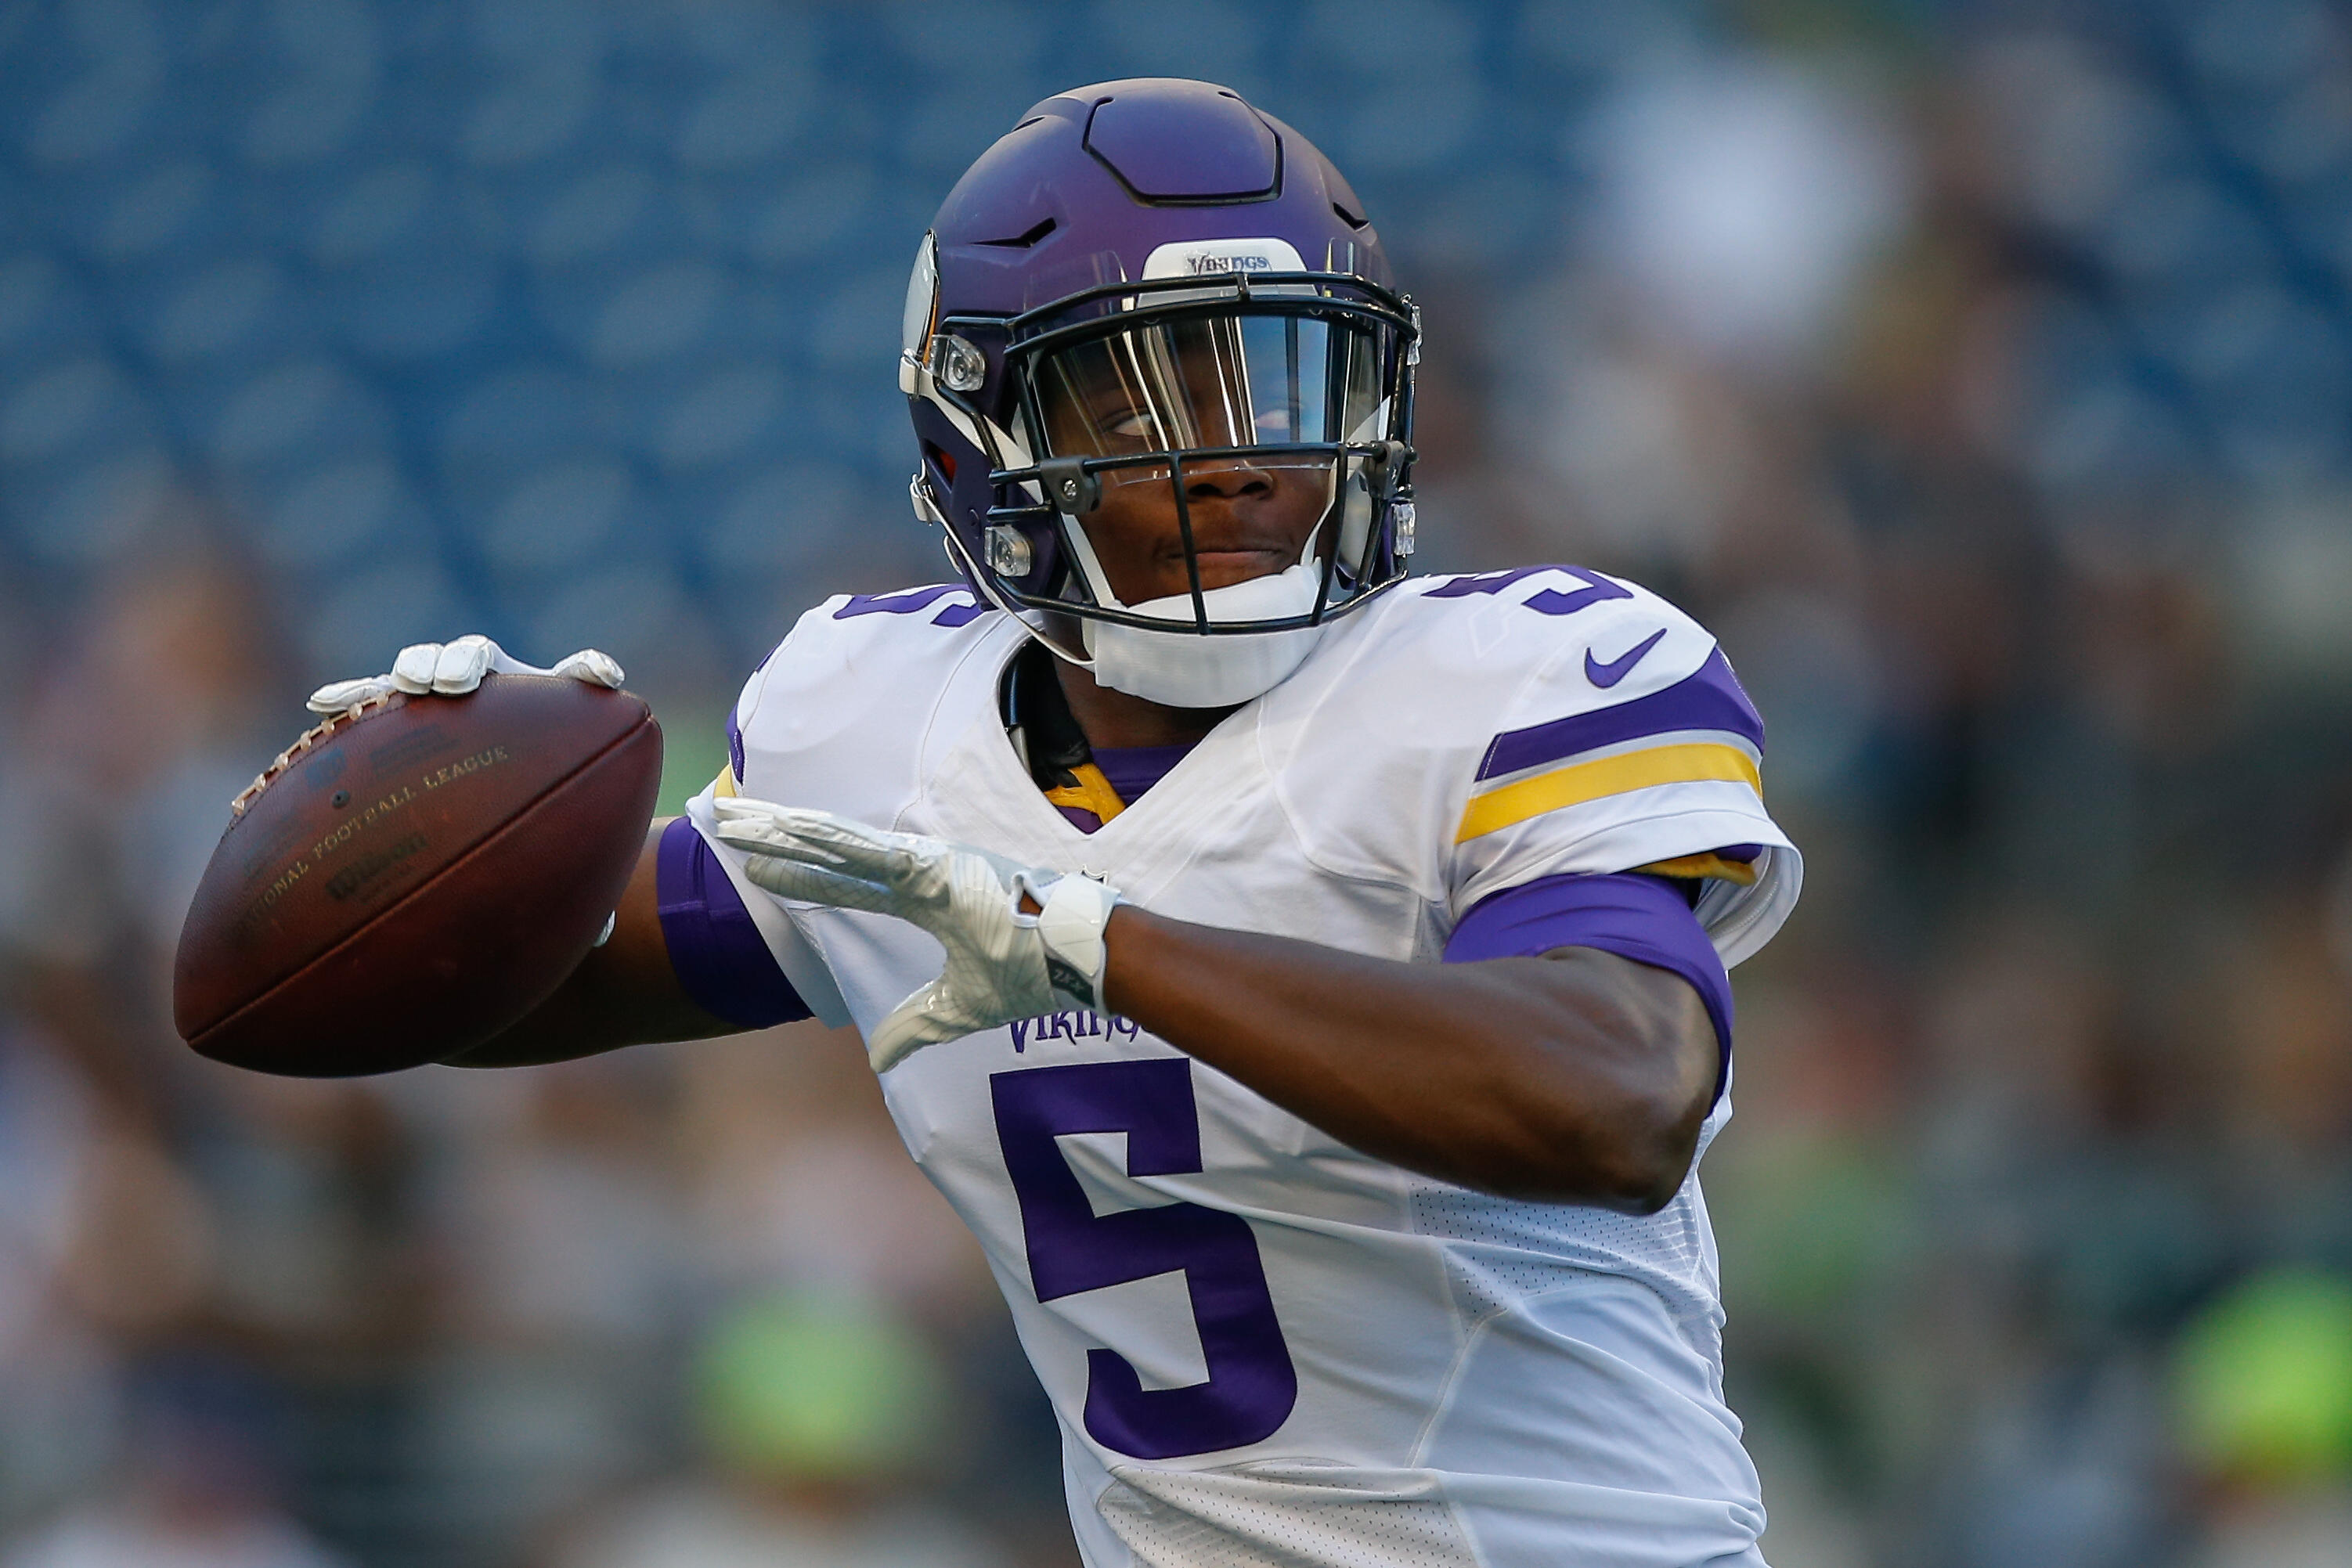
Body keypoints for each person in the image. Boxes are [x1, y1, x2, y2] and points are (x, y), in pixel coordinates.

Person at [304, 79, 1800, 1568]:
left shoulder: (1515, 678)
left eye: (1277, 380)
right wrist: (422, 818)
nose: (1230, 452)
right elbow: (469, 984)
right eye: (1137, 394)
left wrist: (1093, 943)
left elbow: (1619, 1101)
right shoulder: (876, 720)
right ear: (980, 438)